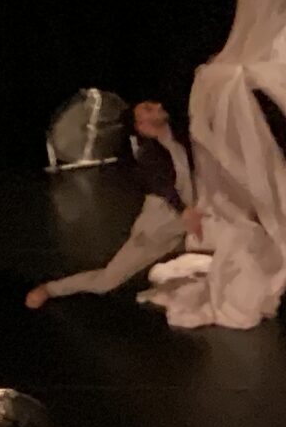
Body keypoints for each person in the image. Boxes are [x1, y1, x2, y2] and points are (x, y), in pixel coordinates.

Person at [25, 100, 203, 309]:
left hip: (183, 223)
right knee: (107, 280)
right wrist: (185, 211)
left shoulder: (175, 140)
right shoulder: (150, 153)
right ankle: (51, 289)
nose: (158, 106)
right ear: (141, 125)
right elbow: (161, 184)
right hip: (158, 229)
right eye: (148, 109)